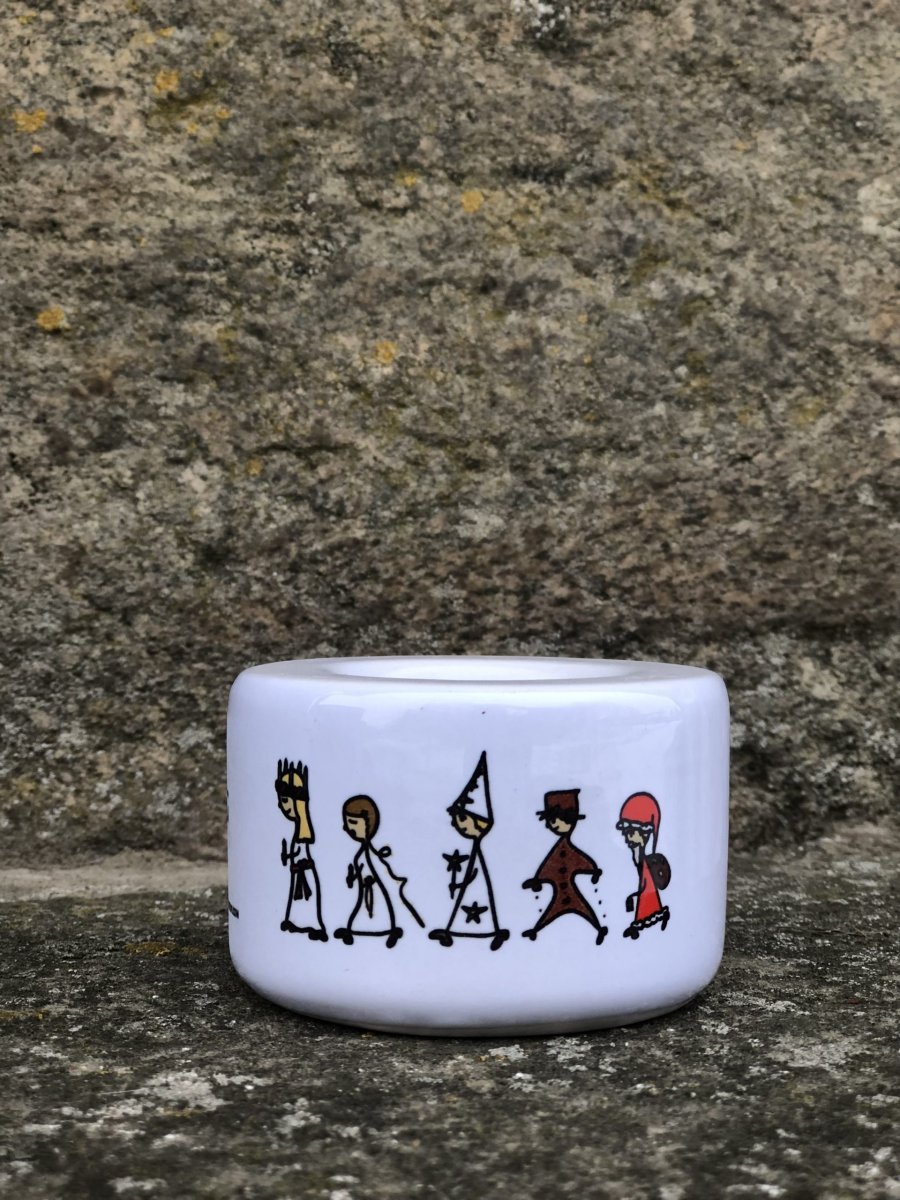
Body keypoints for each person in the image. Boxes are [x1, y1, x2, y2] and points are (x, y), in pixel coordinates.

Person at [428, 751, 510, 951]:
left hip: (474, 893)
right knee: (474, 898)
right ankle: (459, 930)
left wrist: (463, 881)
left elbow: (474, 874)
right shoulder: (475, 848)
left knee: (481, 898)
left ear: (480, 823)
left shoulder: (477, 849)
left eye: (462, 820)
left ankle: (493, 932)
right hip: (472, 887)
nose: (457, 825)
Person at [333, 795, 424, 948]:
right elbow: (360, 870)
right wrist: (352, 878)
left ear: (369, 824)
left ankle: (391, 930)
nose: (349, 829)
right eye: (348, 823)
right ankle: (351, 930)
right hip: (364, 888)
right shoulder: (362, 854)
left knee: (381, 907)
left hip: (374, 888)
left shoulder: (372, 855)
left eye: (354, 823)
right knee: (360, 907)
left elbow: (381, 871)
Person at [521, 789, 607, 944]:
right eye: (553, 821)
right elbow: (548, 867)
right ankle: (535, 931)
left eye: (562, 820)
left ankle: (599, 929)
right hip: (560, 892)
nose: (556, 825)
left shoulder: (567, 849)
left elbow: (580, 859)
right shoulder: (558, 850)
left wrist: (593, 871)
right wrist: (537, 880)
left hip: (569, 891)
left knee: (584, 909)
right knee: (552, 911)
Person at [275, 758, 327, 940]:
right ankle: (295, 922)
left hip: (304, 873)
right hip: (299, 871)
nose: (282, 806)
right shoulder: (298, 829)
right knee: (298, 900)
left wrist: (292, 857)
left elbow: (302, 852)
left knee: (307, 900)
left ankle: (314, 925)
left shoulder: (303, 831)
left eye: (285, 801)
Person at [616, 791, 670, 939]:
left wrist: (633, 896)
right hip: (645, 892)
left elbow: (645, 886)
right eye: (626, 833)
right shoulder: (639, 856)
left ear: (645, 833)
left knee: (647, 906)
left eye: (631, 834)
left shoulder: (646, 863)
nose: (627, 839)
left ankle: (642, 925)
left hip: (647, 893)